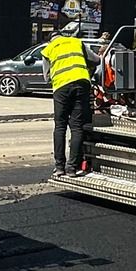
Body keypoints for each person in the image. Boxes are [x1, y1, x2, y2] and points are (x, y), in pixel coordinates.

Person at [44, 20, 96, 179]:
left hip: (61, 88)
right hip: (81, 83)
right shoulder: (76, 42)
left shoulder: (48, 49)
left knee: (60, 126)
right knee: (77, 127)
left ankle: (59, 168)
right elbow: (96, 60)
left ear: (51, 39)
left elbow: (46, 78)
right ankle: (72, 168)